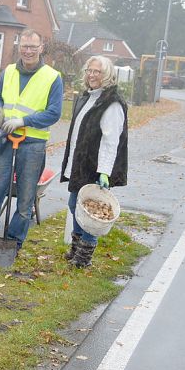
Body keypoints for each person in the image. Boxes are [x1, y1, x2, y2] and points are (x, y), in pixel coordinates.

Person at [0, 29, 63, 257]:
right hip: (6, 141)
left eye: (33, 47)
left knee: (26, 198)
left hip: (33, 144)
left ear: (41, 48)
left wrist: (23, 121)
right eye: (24, 46)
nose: (28, 51)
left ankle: (14, 243)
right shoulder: (8, 71)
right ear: (19, 47)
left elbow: (54, 113)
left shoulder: (52, 77)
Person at [60, 55, 128, 267]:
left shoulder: (112, 103)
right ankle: (76, 248)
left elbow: (111, 141)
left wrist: (104, 171)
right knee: (75, 205)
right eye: (89, 70)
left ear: (106, 75)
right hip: (80, 163)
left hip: (94, 166)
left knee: (90, 211)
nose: (92, 75)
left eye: (97, 71)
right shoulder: (87, 97)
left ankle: (83, 256)